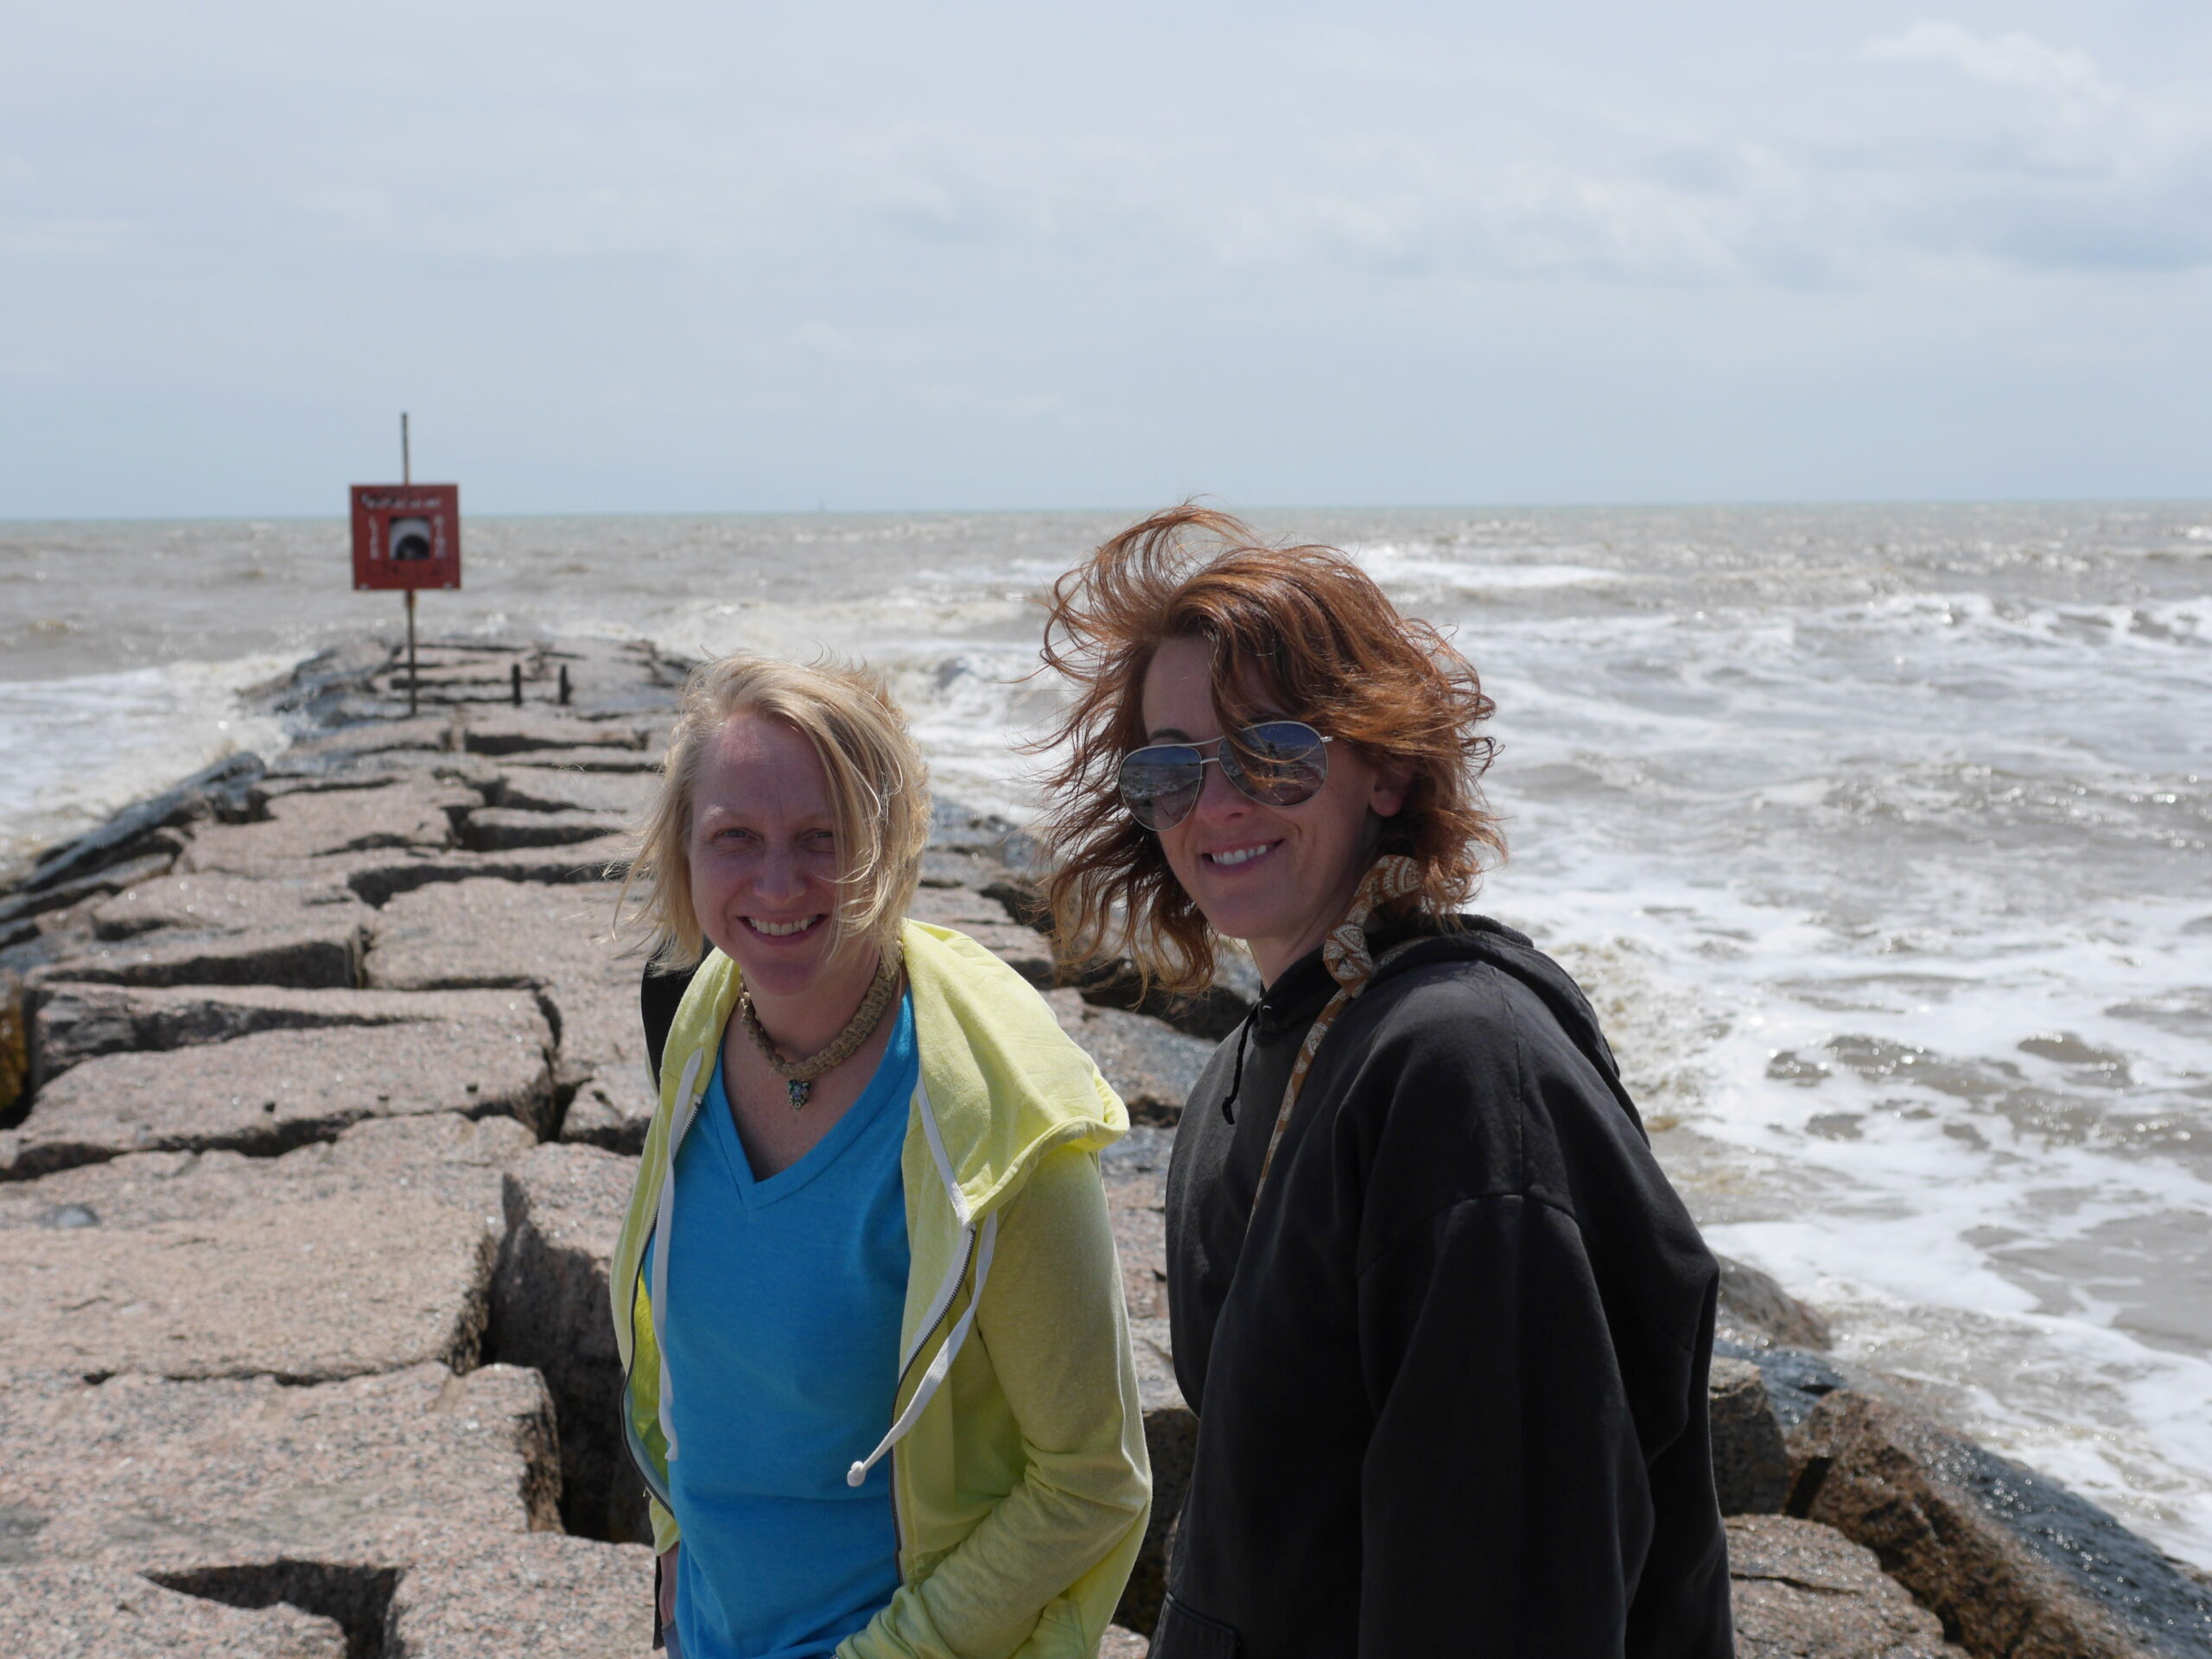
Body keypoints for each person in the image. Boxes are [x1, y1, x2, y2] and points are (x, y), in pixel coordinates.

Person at [1035, 507, 1734, 1657]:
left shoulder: (1462, 1075)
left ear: (1389, 769)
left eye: (1273, 752)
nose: (1216, 805)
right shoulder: (1245, 1075)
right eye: (1171, 768)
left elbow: (1513, 1591)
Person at [609, 653, 1151, 1659]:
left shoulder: (995, 1113)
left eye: (823, 837)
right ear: (683, 852)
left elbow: (1093, 1478)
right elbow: (691, 1376)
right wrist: (676, 1552)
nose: (778, 883)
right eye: (735, 838)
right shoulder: (703, 1018)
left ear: (893, 843)